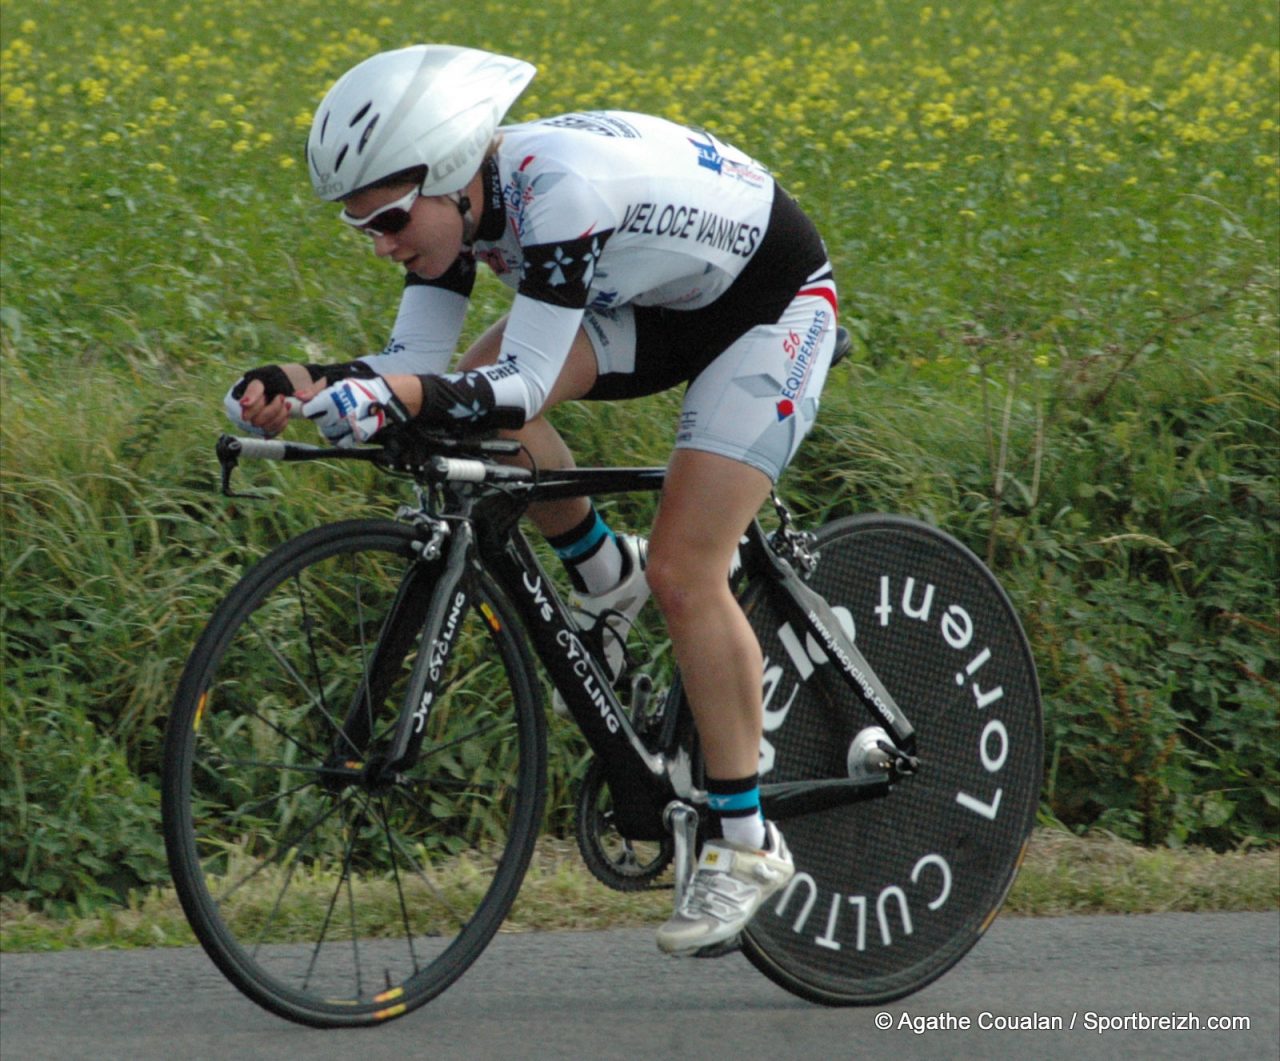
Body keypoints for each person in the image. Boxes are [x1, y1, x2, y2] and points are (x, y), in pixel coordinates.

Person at [225, 44, 838, 956]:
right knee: (458, 408)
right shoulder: (457, 211)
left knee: (686, 569)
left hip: (766, 311)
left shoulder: (560, 196)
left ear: (446, 173)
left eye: (391, 218)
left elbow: (526, 382)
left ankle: (747, 845)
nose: (386, 243)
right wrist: (303, 380)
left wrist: (399, 397)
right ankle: (604, 574)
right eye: (365, 230)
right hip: (652, 301)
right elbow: (420, 370)